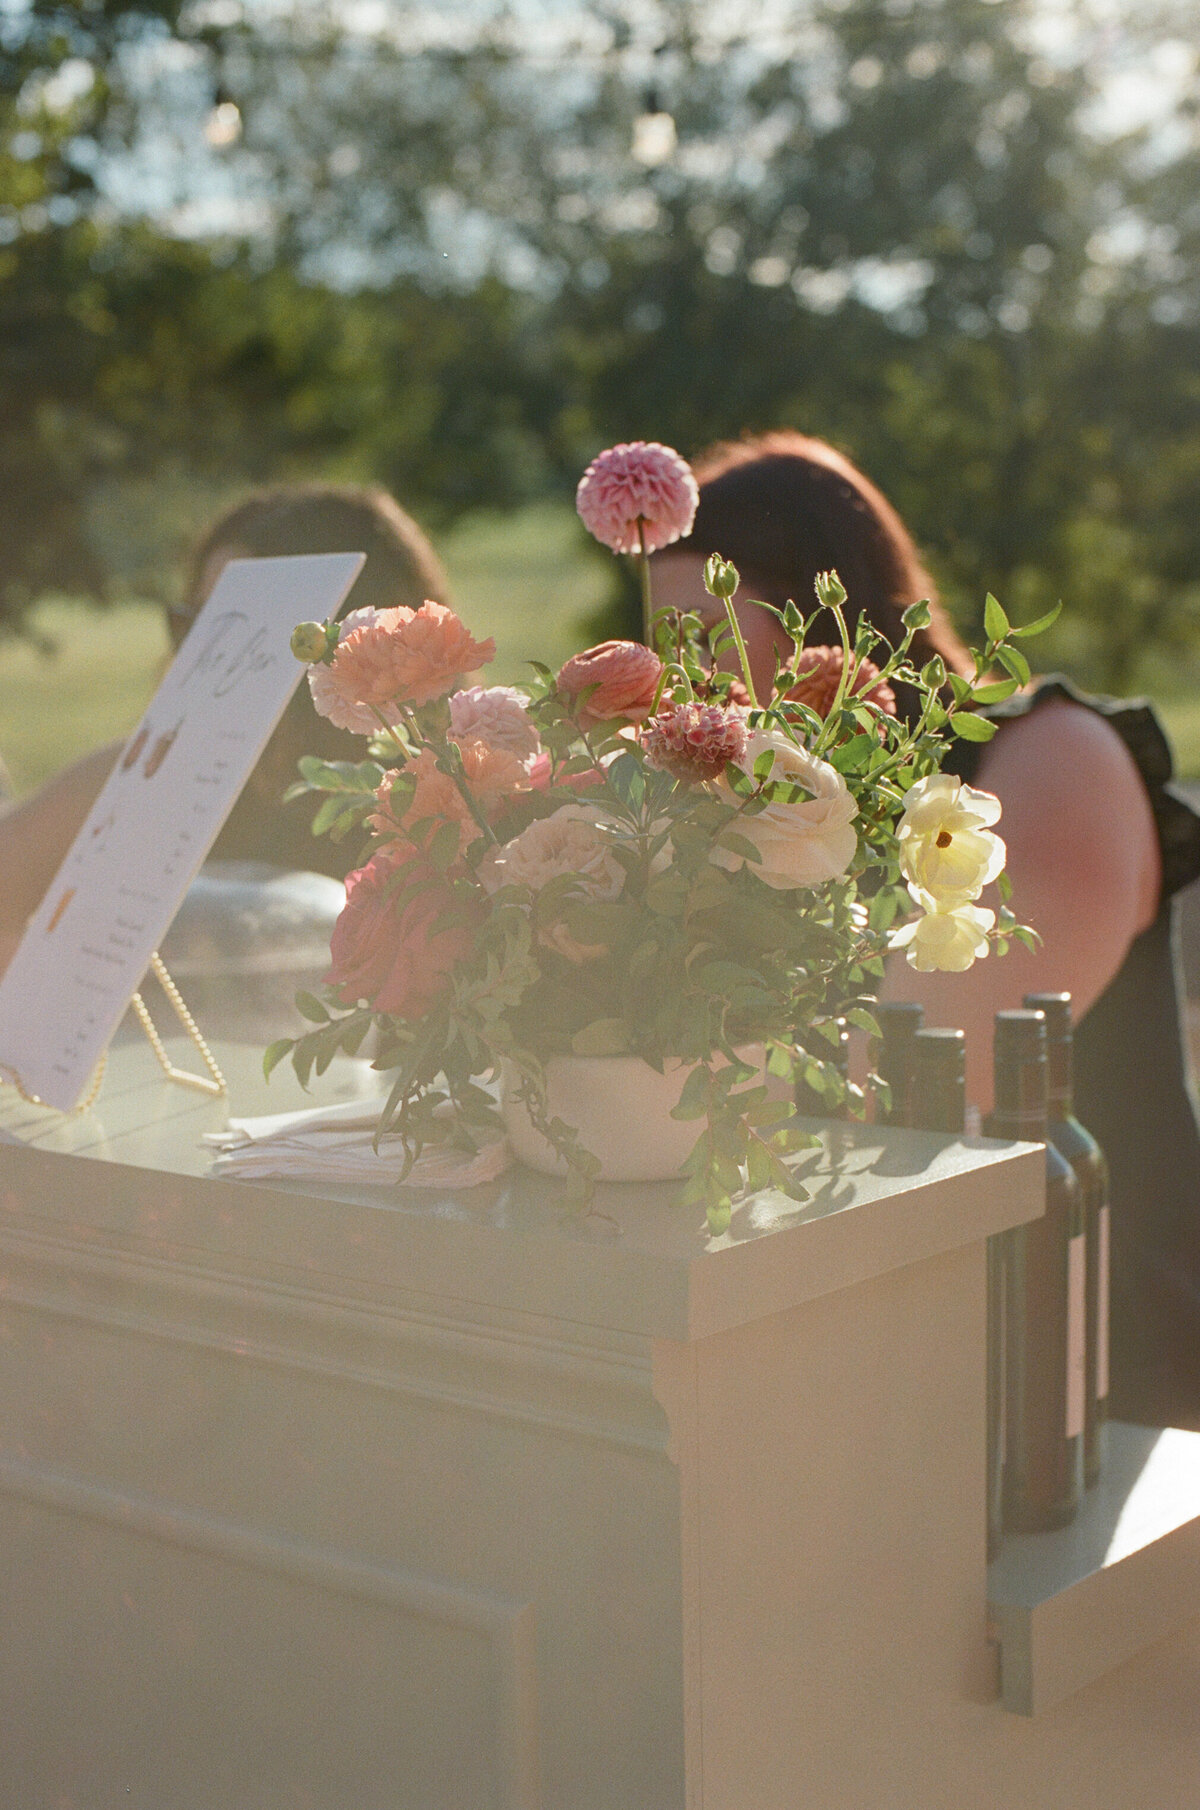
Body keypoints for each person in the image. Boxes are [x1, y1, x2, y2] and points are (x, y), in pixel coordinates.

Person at [652, 429, 1200, 1429]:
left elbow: (917, 1078)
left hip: (1108, 1390)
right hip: (896, 1371)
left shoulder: (1050, 758)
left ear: (833, 618)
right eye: (663, 642)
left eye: (704, 631)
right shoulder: (735, 827)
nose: (682, 683)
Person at [0, 484, 451, 975]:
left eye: (246, 630)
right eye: (194, 624)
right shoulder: (128, 785)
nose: (207, 656)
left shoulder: (457, 804)